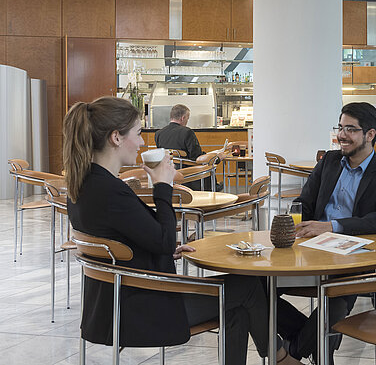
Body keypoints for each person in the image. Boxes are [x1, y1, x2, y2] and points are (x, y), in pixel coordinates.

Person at [63, 96, 277, 365]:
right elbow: (163, 239)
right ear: (116, 137)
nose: (142, 142)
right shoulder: (110, 191)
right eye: (138, 134)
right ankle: (281, 356)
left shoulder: (86, 185)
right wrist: (163, 186)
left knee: (239, 303)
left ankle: (282, 353)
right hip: (141, 309)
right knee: (248, 287)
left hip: (110, 305)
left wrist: (159, 247)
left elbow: (129, 237)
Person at [276, 102, 376, 365]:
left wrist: (332, 226)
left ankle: (292, 353)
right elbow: (304, 202)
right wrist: (293, 220)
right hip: (309, 252)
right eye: (340, 128)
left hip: (352, 259)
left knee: (334, 303)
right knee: (258, 289)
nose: (342, 135)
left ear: (370, 134)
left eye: (350, 129)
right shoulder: (329, 162)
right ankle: (309, 345)